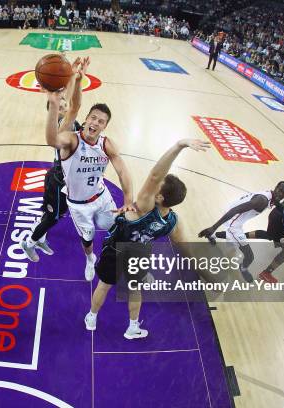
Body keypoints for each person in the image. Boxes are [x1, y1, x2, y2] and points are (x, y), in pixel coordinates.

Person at [84, 139, 211, 339]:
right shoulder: (173, 222)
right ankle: (132, 327)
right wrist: (205, 274)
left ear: (159, 197)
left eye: (159, 186)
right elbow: (187, 251)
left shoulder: (144, 205)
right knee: (135, 290)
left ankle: (91, 317)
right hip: (138, 253)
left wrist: (178, 145)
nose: (155, 185)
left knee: (104, 285)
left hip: (116, 249)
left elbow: (154, 175)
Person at [44, 79, 134, 282]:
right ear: (86, 119)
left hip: (101, 198)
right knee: (88, 238)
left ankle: (131, 263)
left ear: (104, 126)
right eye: (93, 118)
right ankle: (90, 259)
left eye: (101, 121)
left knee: (121, 228)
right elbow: (52, 140)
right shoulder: (71, 140)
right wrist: (55, 105)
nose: (95, 123)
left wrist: (128, 200)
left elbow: (122, 170)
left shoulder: (106, 144)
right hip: (78, 205)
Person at [20, 57, 87, 262]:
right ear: (57, 109)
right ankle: (29, 242)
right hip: (58, 180)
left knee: (52, 215)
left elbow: (70, 101)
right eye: (62, 104)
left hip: (66, 178)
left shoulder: (67, 120)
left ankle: (40, 238)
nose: (66, 103)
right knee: (52, 217)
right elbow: (73, 105)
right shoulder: (61, 122)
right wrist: (74, 80)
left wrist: (73, 77)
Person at [198, 182, 284, 282]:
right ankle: (243, 268)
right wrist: (213, 227)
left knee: (232, 243)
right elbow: (236, 209)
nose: (280, 194)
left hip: (233, 214)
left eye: (283, 193)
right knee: (250, 256)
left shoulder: (271, 196)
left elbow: (277, 203)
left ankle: (213, 236)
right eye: (279, 190)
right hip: (233, 221)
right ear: (276, 187)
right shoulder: (262, 201)